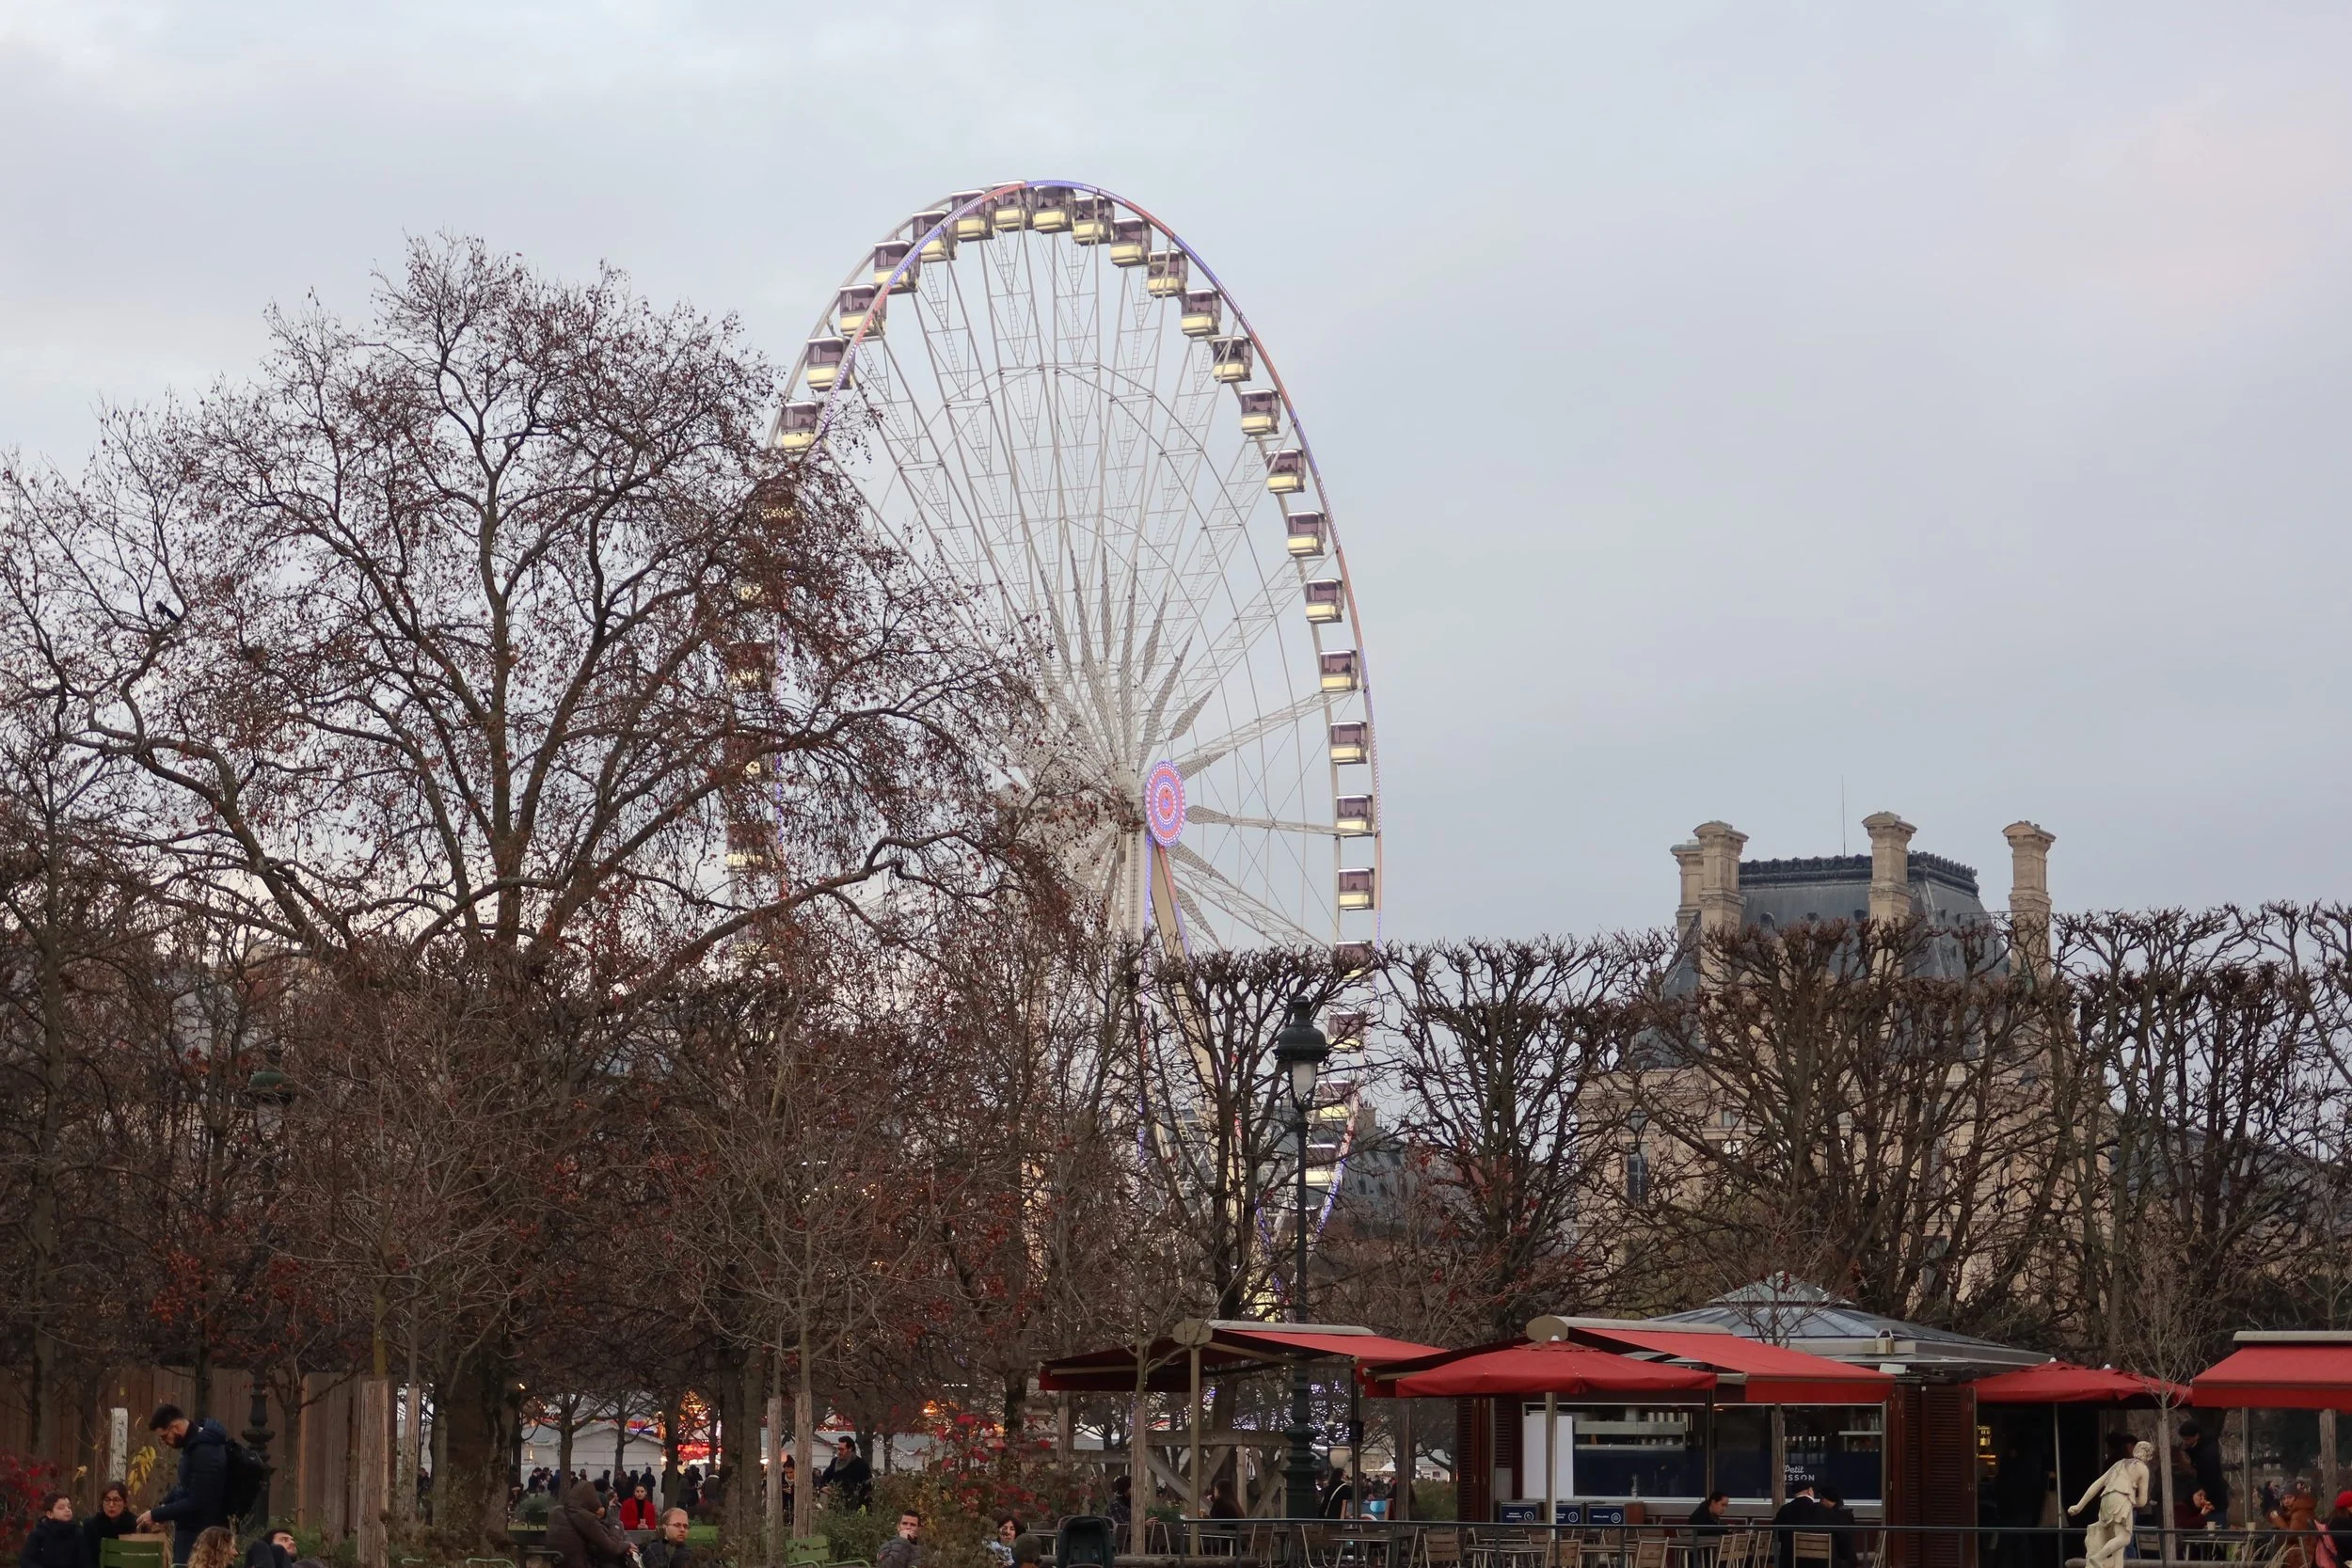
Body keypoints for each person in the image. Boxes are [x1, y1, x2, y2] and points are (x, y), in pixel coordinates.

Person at [140, 1403, 234, 1566]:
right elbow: (184, 1488)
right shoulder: (193, 1447)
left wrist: (157, 1514)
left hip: (203, 1536)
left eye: (164, 1437)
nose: (164, 1442)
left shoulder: (204, 1451)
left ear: (175, 1427)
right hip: (195, 1532)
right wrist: (162, 1507)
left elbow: (198, 1500)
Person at [2069, 1439, 2152, 1568]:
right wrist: (2132, 1502)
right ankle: (2098, 1557)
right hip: (2121, 1500)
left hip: (2106, 1500)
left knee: (2117, 1545)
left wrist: (2079, 1505)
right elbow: (2142, 1501)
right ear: (2148, 1456)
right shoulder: (2143, 1469)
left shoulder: (2119, 1463)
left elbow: (2098, 1483)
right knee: (2125, 1538)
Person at [548, 1478, 632, 1568]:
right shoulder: (585, 1517)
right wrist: (626, 1542)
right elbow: (611, 1548)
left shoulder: (556, 1511)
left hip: (556, 1562)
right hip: (577, 1564)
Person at [2179, 1424, 2229, 1527]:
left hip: (2212, 1499)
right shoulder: (2196, 1450)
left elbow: (2210, 1476)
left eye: (2188, 1439)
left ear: (2196, 1436)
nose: (2186, 1442)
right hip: (2202, 1500)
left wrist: (2203, 1491)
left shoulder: (2206, 1453)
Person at [1772, 1478, 1828, 1568]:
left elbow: (1776, 1533)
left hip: (1789, 1561)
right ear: (1810, 1491)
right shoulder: (1822, 1510)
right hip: (1817, 1562)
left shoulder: (1784, 1510)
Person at [83, 1483, 138, 1568]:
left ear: (125, 1503)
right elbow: (87, 1559)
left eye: (116, 1500)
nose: (111, 1505)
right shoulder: (91, 1525)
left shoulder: (134, 1524)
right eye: (107, 1500)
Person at [24, 1495, 81, 1568]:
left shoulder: (78, 1533)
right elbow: (26, 1560)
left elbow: (85, 1560)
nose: (67, 1510)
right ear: (50, 1514)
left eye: (69, 1507)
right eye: (61, 1508)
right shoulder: (39, 1534)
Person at [818, 1440, 871, 1513]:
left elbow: (867, 1486)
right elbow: (825, 1476)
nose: (839, 1452)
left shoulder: (861, 1465)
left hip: (854, 1505)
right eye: (838, 1449)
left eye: (842, 1449)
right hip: (836, 1503)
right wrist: (822, 1486)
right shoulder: (835, 1462)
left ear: (850, 1449)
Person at [1817, 1486, 1859, 1568]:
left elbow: (1843, 1544)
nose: (1820, 1502)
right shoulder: (1844, 1514)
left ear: (1826, 1499)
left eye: (1821, 1499)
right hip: (1845, 1560)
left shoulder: (1835, 1516)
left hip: (1840, 1561)